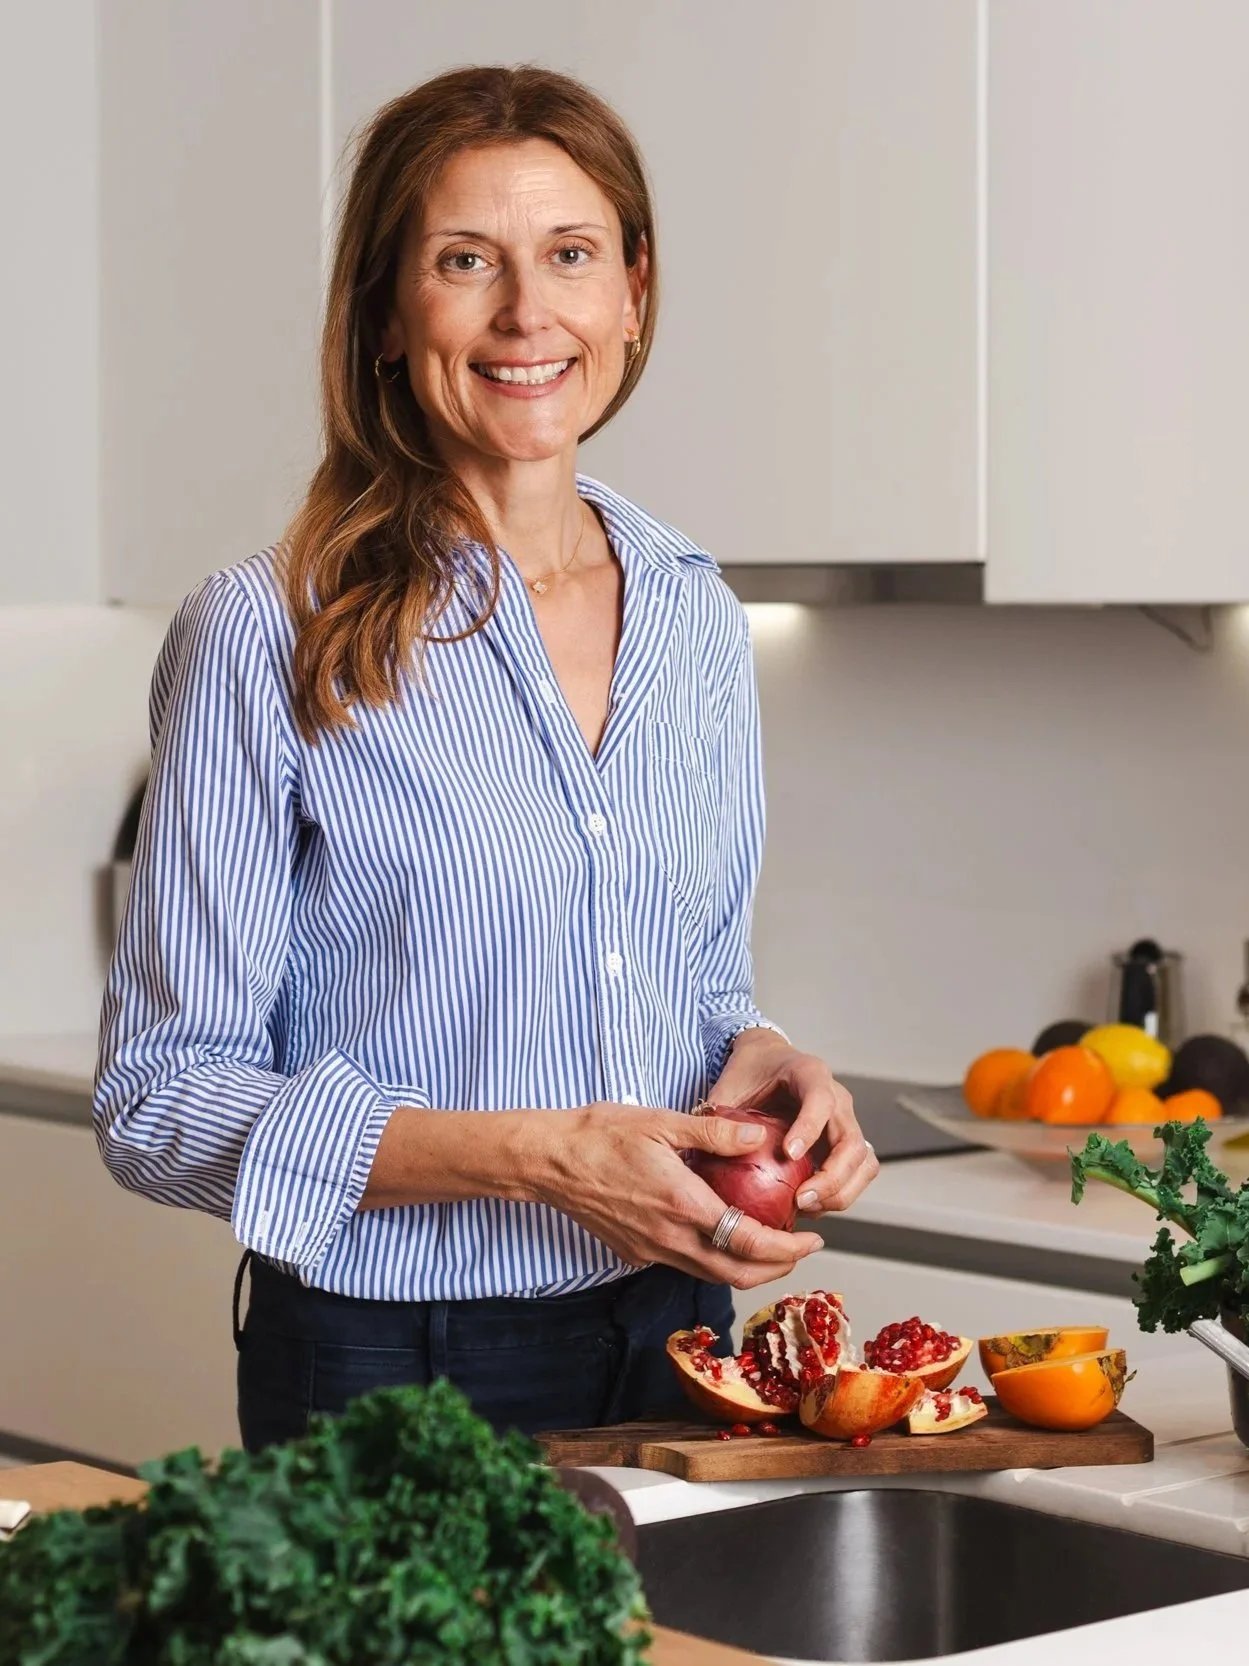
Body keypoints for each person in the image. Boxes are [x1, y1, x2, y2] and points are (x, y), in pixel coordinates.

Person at [93, 64, 878, 1451]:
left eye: (570, 255)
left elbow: (692, 980)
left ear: (632, 292)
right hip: (391, 1361)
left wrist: (769, 1068)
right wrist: (537, 1158)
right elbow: (160, 1098)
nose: (529, 313)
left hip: (684, 1330)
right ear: (390, 317)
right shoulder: (268, 629)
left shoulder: (694, 611)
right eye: (468, 261)